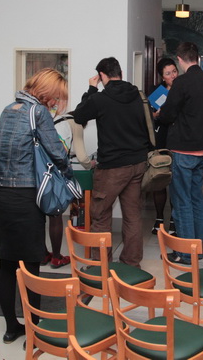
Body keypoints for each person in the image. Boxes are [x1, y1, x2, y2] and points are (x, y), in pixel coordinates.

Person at [0, 68, 72, 343]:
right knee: (31, 266)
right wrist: (66, 167)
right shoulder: (39, 113)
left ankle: (11, 327)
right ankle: (34, 329)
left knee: (6, 264)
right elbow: (57, 153)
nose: (57, 102)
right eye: (57, 96)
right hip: (25, 198)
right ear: (46, 92)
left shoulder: (8, 109)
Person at [71, 57, 151, 267]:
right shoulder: (138, 95)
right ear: (120, 73)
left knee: (100, 215)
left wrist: (91, 89)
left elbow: (79, 116)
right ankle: (131, 263)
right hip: (137, 164)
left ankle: (101, 266)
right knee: (132, 215)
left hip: (112, 168)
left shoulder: (100, 99)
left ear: (102, 76)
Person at [158, 41, 203, 264]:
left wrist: (162, 114)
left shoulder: (181, 83)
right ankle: (198, 249)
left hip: (183, 149)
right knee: (196, 199)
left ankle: (185, 253)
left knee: (181, 201)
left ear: (180, 60)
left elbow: (167, 114)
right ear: (197, 58)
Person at [42, 112, 92, 269]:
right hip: (55, 171)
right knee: (55, 214)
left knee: (40, 214)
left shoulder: (57, 119)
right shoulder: (76, 123)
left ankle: (42, 254)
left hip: (40, 168)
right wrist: (91, 164)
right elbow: (82, 157)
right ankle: (57, 257)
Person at [149, 57, 178, 236]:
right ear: (162, 76)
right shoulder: (156, 92)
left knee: (175, 182)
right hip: (160, 140)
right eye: (168, 73)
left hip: (178, 140)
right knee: (159, 180)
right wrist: (156, 115)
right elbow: (148, 115)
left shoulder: (183, 89)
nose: (173, 75)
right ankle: (159, 218)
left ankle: (174, 219)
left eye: (174, 71)